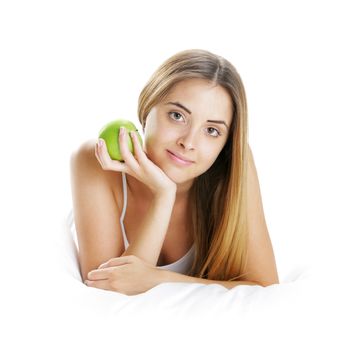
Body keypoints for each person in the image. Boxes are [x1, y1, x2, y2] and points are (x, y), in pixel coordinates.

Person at [70, 49, 279, 296]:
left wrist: (158, 279)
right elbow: (106, 294)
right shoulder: (96, 160)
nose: (189, 142)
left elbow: (266, 291)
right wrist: (164, 195)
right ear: (147, 108)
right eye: (177, 116)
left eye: (212, 131)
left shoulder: (235, 167)